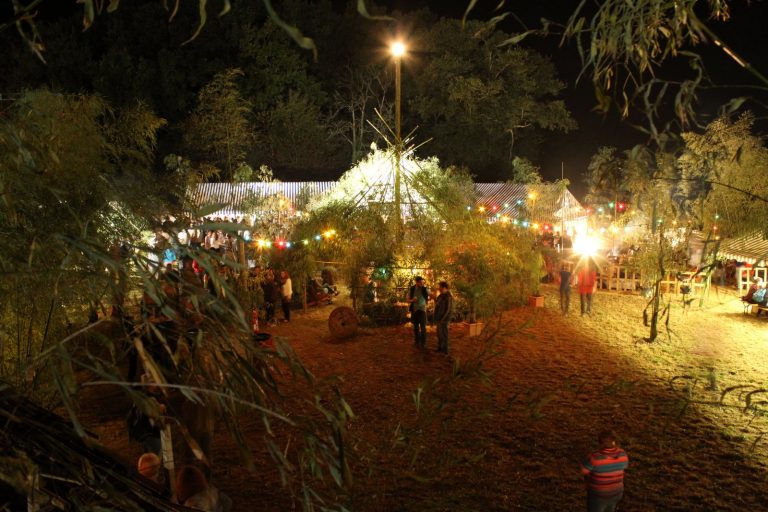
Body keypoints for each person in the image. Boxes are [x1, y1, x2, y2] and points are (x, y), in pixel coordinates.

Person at [580, 430, 630, 512]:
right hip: (616, 492)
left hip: (599, 495)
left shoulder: (595, 458)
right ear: (614, 441)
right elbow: (625, 466)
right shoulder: (623, 454)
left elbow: (583, 470)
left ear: (600, 443)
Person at [407, 276, 430, 348]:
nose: (422, 284)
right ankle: (417, 341)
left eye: (422, 282)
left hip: (422, 310)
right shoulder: (412, 289)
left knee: (423, 327)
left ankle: (423, 343)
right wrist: (412, 300)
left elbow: (431, 294)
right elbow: (407, 299)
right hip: (415, 310)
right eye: (420, 282)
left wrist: (432, 295)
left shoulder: (424, 289)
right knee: (416, 327)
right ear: (416, 282)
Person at [433, 281, 453, 354]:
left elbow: (448, 309)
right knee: (439, 334)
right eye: (439, 288)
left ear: (445, 288)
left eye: (440, 288)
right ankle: (440, 348)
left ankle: (445, 350)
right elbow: (437, 304)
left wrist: (443, 319)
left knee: (444, 334)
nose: (439, 289)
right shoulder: (441, 296)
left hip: (445, 319)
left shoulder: (448, 297)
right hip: (439, 318)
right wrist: (434, 298)